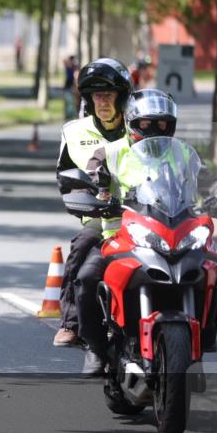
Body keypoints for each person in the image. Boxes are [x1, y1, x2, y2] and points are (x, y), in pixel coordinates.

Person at [76, 88, 217, 375]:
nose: (154, 130)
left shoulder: (184, 152)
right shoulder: (110, 152)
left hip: (175, 228)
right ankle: (96, 348)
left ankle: (207, 337)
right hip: (120, 233)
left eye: (161, 124)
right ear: (131, 123)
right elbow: (89, 178)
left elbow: (207, 179)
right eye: (146, 124)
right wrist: (93, 193)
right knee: (87, 277)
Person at [54, 58, 133, 348]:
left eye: (108, 94)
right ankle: (72, 322)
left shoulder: (139, 126)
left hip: (146, 211)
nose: (102, 101)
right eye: (96, 95)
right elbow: (64, 175)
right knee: (83, 244)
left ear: (121, 96)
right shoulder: (74, 131)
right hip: (102, 213)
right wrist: (85, 196)